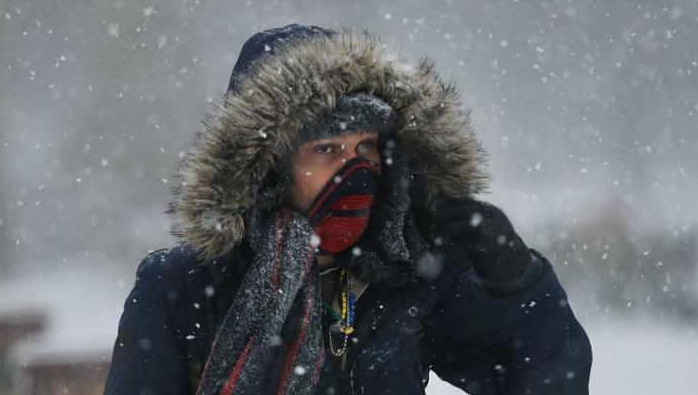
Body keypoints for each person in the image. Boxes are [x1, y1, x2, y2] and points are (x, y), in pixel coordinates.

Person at [102, 24, 592, 395]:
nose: (355, 173)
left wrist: (522, 284)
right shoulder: (181, 286)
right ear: (268, 166)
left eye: (365, 151)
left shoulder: (410, 276)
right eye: (326, 151)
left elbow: (550, 385)